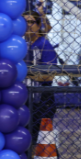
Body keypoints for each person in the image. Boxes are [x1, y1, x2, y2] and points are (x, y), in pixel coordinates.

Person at [23, 11, 59, 150]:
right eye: (24, 22)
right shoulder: (19, 45)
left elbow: (50, 75)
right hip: (23, 99)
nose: (27, 25)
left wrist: (26, 74)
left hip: (41, 100)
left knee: (41, 140)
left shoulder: (44, 44)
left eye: (31, 22)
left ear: (38, 25)